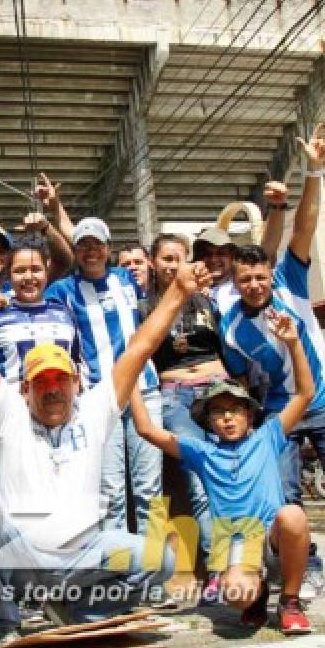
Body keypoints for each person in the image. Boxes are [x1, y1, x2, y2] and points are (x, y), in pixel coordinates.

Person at [0, 252, 211, 648]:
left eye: (61, 380)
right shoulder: (7, 413)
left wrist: (178, 292)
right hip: (21, 559)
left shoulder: (95, 409)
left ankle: (83, 614)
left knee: (160, 560)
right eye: (41, 382)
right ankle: (3, 626)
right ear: (24, 389)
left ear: (77, 382)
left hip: (85, 554)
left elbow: (139, 349)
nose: (52, 390)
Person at [216, 126, 325, 601]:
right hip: (280, 413)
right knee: (287, 497)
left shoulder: (290, 280)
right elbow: (244, 381)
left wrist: (314, 171)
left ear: (270, 272)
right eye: (246, 279)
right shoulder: (230, 327)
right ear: (235, 281)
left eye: (260, 276)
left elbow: (305, 226)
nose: (255, 285)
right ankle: (307, 569)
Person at [131, 310, 316, 635]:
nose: (228, 418)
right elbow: (146, 430)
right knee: (235, 593)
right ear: (208, 421)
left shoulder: (268, 436)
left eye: (234, 410)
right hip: (237, 545)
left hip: (274, 540)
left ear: (248, 414)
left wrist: (294, 343)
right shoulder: (201, 452)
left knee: (294, 516)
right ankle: (255, 598)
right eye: (218, 411)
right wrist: (131, 369)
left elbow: (305, 394)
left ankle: (290, 601)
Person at [45, 215, 162, 537]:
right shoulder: (62, 290)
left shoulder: (126, 278)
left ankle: (151, 572)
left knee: (150, 487)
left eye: (98, 244)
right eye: (83, 245)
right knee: (109, 491)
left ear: (109, 248)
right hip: (100, 397)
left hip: (145, 389)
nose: (91, 251)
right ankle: (119, 570)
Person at [147, 233, 218, 573]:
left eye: (179, 258)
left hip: (217, 388)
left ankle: (248, 562)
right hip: (175, 392)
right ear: (152, 262)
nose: (173, 265)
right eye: (166, 259)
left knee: (229, 473)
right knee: (197, 479)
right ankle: (216, 567)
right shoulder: (145, 303)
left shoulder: (207, 298)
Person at [0, 238, 79, 384]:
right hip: (12, 405)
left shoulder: (66, 313)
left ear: (47, 270)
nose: (28, 277)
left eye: (35, 269)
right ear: (9, 275)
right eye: (19, 271)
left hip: (61, 403)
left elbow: (75, 361)